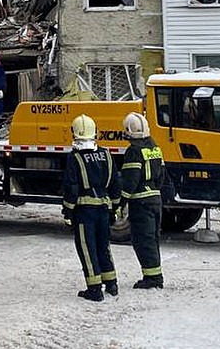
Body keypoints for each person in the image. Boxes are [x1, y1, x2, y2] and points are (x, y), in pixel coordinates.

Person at [62, 114, 118, 301]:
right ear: (95, 133)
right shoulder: (106, 154)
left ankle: (94, 289)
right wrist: (115, 209)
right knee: (104, 245)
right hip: (104, 208)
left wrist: (67, 211)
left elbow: (71, 187)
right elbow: (115, 184)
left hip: (84, 211)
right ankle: (111, 283)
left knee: (87, 248)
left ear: (74, 133)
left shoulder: (75, 157)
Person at [119, 112, 167, 289]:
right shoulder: (154, 147)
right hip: (155, 200)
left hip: (141, 202)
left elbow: (130, 180)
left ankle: (152, 278)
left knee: (143, 240)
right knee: (153, 239)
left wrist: (121, 201)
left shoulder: (133, 151)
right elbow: (162, 176)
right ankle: (155, 275)